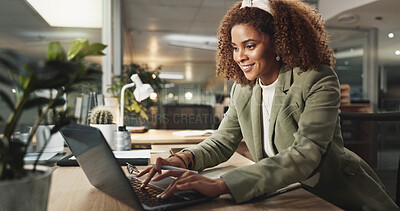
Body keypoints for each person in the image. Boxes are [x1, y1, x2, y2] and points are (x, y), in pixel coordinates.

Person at [137, 0, 398, 209]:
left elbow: (305, 155)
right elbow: (222, 141)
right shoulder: (244, 88)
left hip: (334, 194)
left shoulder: (317, 78)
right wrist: (183, 159)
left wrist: (222, 184)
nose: (240, 57)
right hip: (282, 192)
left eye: (249, 45)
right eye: (235, 48)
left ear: (278, 42)